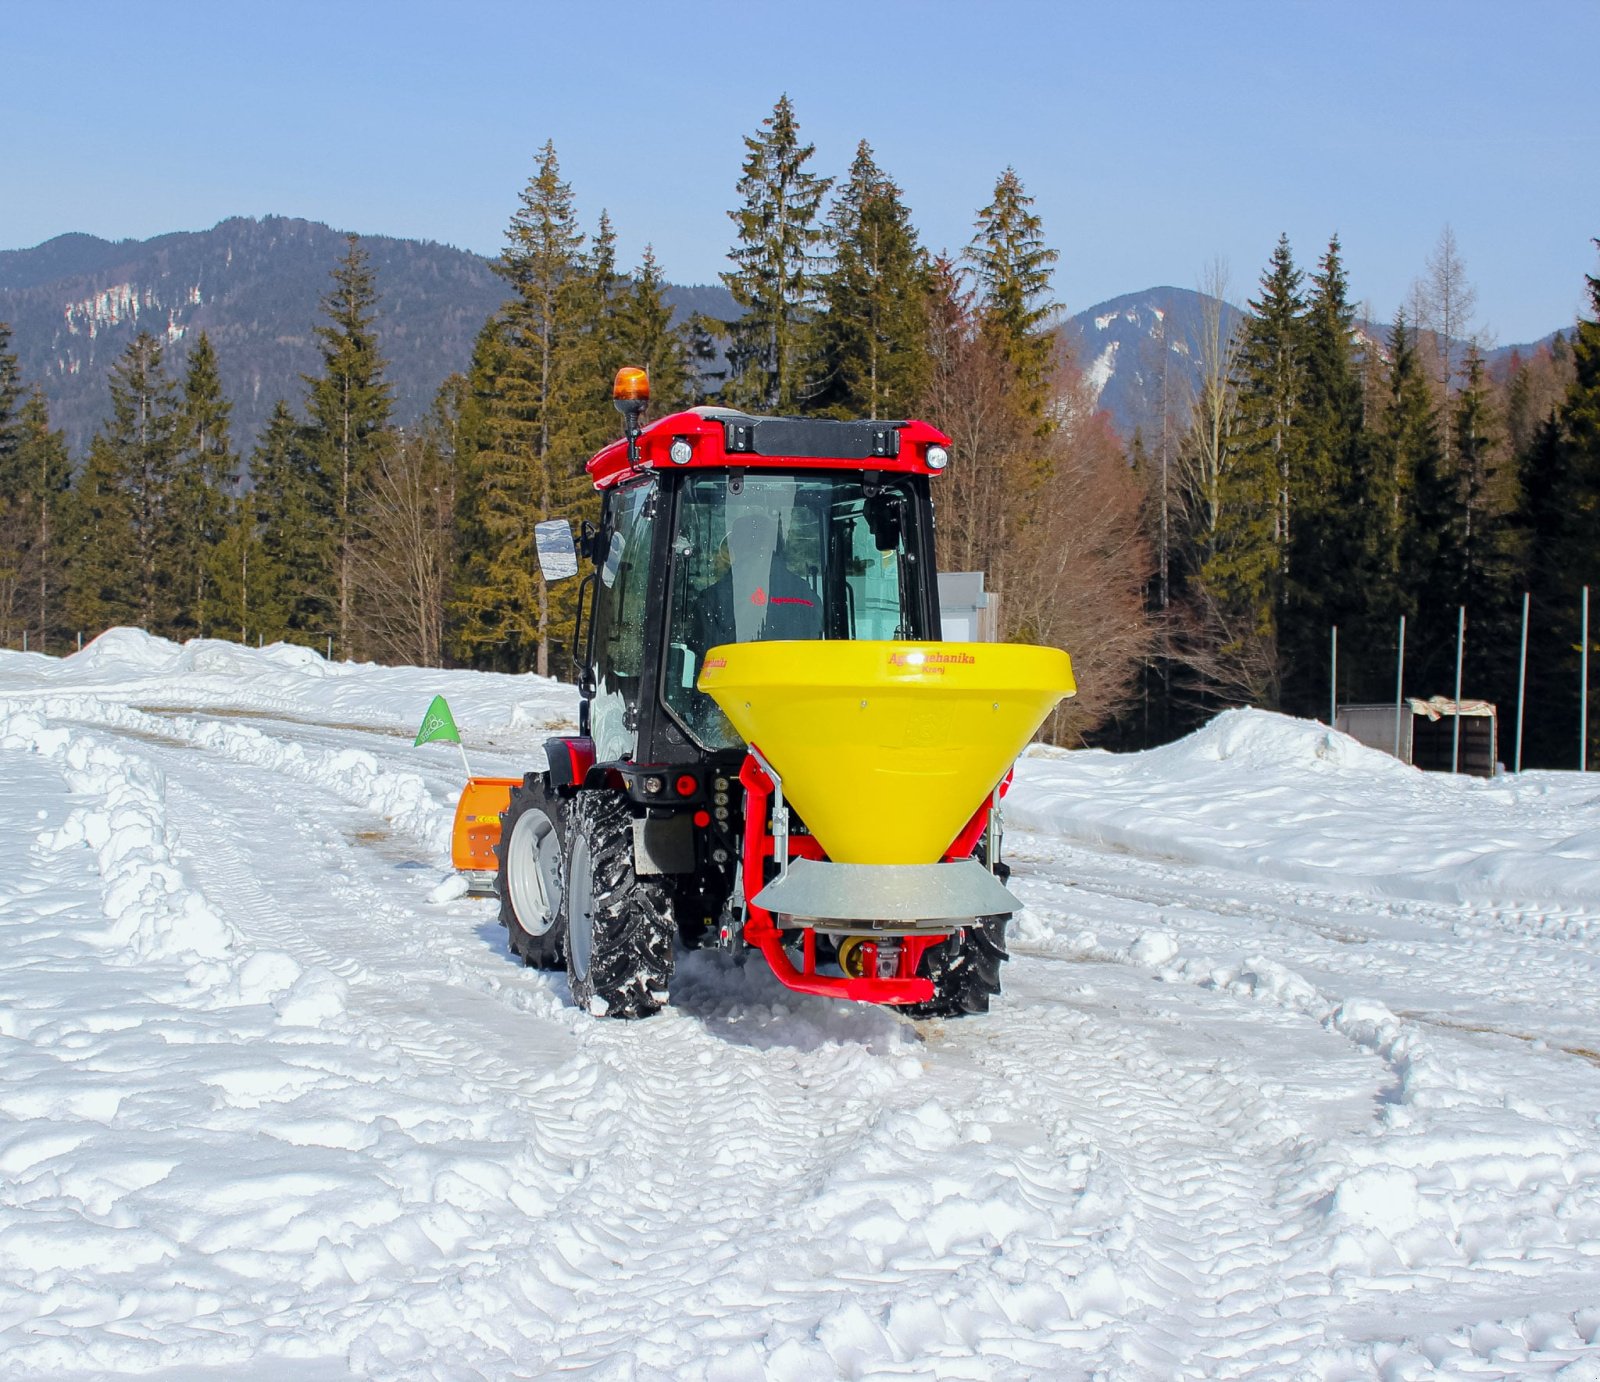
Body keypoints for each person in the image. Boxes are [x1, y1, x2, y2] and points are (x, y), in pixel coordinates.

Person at [692, 511, 821, 652]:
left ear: (736, 548)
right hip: (800, 673)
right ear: (777, 547)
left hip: (738, 674)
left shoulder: (714, 598)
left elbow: (706, 658)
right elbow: (818, 642)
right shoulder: (806, 595)